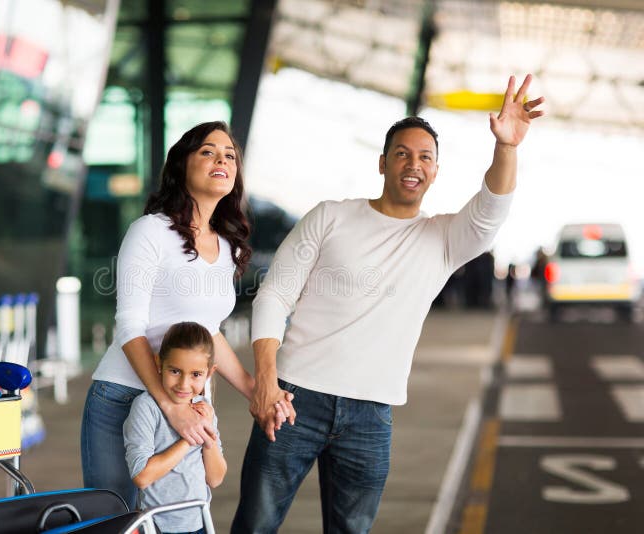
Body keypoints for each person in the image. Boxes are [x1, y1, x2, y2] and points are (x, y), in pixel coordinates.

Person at [232, 74, 545, 533]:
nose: (412, 164)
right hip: (293, 397)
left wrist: (507, 148)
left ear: (435, 171)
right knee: (255, 525)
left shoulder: (442, 239)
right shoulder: (331, 216)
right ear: (382, 163)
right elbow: (275, 294)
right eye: (402, 153)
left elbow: (491, 209)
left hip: (370, 415)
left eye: (425, 157)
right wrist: (265, 380)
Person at [80, 121, 293, 509]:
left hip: (189, 399)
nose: (222, 160)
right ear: (182, 166)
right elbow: (130, 327)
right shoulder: (150, 232)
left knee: (179, 515)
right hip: (125, 396)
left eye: (229, 156)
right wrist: (172, 407)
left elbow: (208, 332)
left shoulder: (227, 247)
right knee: (116, 518)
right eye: (208, 152)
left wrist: (257, 391)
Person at [123, 322, 225, 534]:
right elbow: (142, 477)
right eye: (175, 371)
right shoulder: (146, 407)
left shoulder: (204, 409)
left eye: (196, 374)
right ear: (158, 363)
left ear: (209, 373)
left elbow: (215, 478)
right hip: (156, 525)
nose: (184, 384)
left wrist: (208, 438)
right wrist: (188, 439)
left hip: (200, 521)